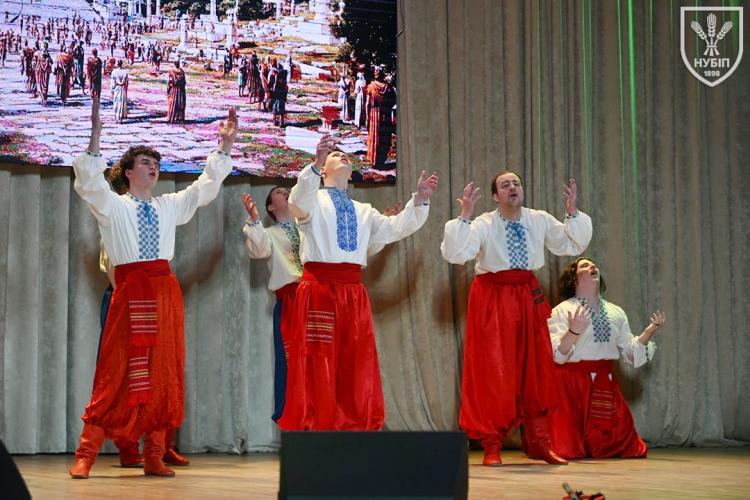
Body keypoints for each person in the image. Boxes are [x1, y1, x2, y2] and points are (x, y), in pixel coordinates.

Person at [67, 97, 237, 479]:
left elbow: (203, 189)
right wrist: (95, 135)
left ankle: (154, 455)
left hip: (163, 293)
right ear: (128, 172)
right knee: (116, 370)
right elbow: (90, 184)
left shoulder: (167, 205)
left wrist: (224, 148)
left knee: (163, 373)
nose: (153, 167)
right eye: (145, 162)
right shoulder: (113, 206)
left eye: (156, 164)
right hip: (130, 292)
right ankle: (86, 454)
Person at [277, 136, 438, 431]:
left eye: (346, 155)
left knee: (355, 359)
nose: (343, 156)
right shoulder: (312, 199)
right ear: (324, 171)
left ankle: (352, 428)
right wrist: (314, 164)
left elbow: (395, 228)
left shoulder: (364, 210)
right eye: (335, 155)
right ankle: (318, 428)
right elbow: (297, 202)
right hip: (319, 290)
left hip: (352, 293)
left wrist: (420, 199)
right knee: (318, 360)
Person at [440, 173, 592, 466]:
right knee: (494, 369)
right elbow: (457, 254)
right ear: (495, 196)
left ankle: (540, 442)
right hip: (492, 298)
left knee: (536, 367)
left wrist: (572, 213)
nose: (513, 188)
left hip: (526, 295)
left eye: (517, 183)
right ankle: (492, 444)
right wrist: (465, 216)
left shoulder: (539, 219)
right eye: (505, 185)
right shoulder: (484, 223)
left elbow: (571, 244)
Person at [547, 257, 665, 459]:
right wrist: (574, 331)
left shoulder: (615, 312)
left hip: (604, 382)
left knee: (624, 446)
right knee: (566, 449)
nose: (592, 266)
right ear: (574, 278)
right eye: (584, 266)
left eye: (593, 264)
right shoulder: (562, 310)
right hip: (571, 385)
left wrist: (648, 333)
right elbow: (556, 353)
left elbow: (630, 352)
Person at [242, 188, 303, 422]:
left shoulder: (308, 227)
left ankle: (322, 420)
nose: (285, 192)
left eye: (287, 190)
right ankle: (292, 418)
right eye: (278, 192)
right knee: (290, 360)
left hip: (315, 299)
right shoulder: (268, 233)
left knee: (318, 359)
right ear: (270, 207)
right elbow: (259, 250)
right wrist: (254, 220)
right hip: (290, 302)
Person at [365, 66, 396, 166]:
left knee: (374, 135)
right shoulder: (388, 87)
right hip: (385, 115)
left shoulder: (371, 86)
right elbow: (393, 101)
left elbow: (367, 103)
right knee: (384, 136)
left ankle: (373, 159)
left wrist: (366, 117)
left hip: (374, 114)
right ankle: (381, 160)